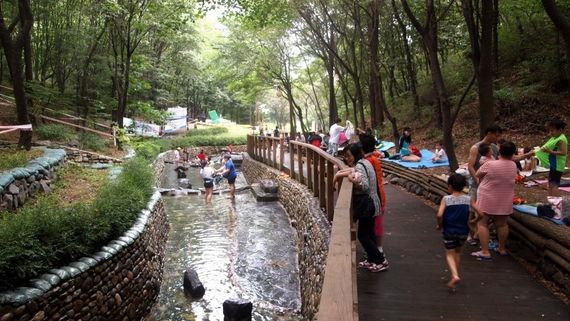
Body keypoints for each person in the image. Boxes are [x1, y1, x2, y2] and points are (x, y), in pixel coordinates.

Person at [471, 141, 519, 260]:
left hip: (487, 196)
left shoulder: (490, 164)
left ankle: (485, 251)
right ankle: (502, 248)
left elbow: (477, 174)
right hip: (505, 198)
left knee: (482, 223)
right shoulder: (513, 165)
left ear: (500, 151)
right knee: (502, 224)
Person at [346, 143, 388, 273]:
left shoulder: (360, 165)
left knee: (363, 236)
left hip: (368, 205)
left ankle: (380, 261)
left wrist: (352, 180)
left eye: (349, 156)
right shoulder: (365, 162)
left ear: (355, 154)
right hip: (374, 203)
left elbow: (364, 186)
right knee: (369, 234)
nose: (347, 159)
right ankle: (371, 259)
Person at [436, 174, 475, 289]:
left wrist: (439, 225)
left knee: (449, 254)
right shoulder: (468, 199)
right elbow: (481, 213)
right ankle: (455, 275)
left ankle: (455, 275)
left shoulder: (446, 199)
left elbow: (439, 215)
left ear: (450, 186)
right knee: (458, 252)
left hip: (449, 231)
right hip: (463, 231)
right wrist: (473, 221)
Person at [466, 125, 502, 245]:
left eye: (498, 136)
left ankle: (479, 234)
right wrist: (476, 178)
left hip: (489, 185)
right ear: (488, 133)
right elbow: (470, 165)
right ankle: (470, 235)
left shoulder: (495, 148)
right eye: (495, 135)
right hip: (476, 184)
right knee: (473, 209)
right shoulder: (476, 147)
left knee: (484, 211)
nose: (497, 138)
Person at [360, 134, 388, 263]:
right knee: (375, 225)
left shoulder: (369, 161)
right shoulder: (374, 158)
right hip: (379, 195)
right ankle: (375, 252)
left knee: (375, 226)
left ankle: (378, 254)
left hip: (376, 197)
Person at [536, 118, 568, 196]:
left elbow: (564, 152)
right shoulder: (555, 138)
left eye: (552, 131)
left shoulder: (561, 140)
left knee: (554, 185)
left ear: (560, 130)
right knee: (550, 184)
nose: (551, 133)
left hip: (558, 166)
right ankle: (551, 202)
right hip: (554, 164)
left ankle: (555, 204)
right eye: (550, 131)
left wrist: (550, 152)